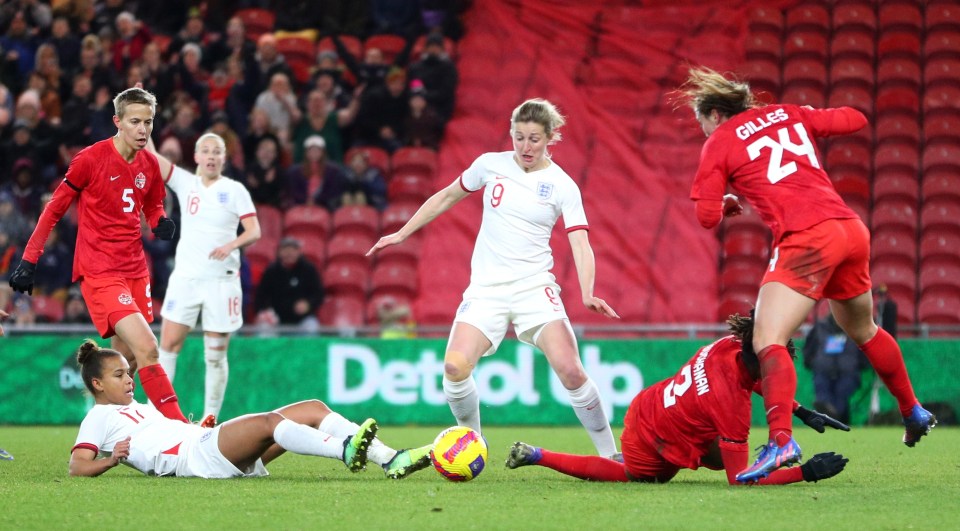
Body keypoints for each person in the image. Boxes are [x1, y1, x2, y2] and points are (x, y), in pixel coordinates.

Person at [679, 66, 935, 482]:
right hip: (850, 229)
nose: (703, 132)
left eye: (702, 123)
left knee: (766, 338)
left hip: (808, 237)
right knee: (864, 330)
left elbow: (706, 217)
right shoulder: (787, 113)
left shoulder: (721, 142)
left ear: (713, 113)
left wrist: (724, 203)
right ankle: (913, 410)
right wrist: (807, 117)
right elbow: (856, 118)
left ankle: (781, 442)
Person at [367, 98, 621, 458]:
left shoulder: (562, 185)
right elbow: (447, 196)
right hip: (486, 291)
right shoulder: (490, 165)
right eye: (518, 137)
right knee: (454, 367)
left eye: (534, 138)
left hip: (535, 288)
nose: (525, 146)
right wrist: (402, 233)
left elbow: (580, 242)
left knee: (571, 372)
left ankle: (611, 456)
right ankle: (473, 444)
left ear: (550, 137)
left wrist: (587, 292)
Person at [8, 87, 189, 423]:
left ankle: (105, 432)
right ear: (117, 121)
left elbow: (152, 202)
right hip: (100, 272)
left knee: (127, 363)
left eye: (148, 122)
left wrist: (159, 221)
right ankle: (182, 431)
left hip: (136, 271)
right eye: (135, 122)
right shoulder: (90, 159)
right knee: (148, 348)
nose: (143, 130)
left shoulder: (149, 163)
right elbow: (54, 210)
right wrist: (29, 259)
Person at [505, 313, 851, 486]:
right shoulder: (731, 405)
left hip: (659, 404)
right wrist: (806, 473)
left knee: (719, 454)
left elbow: (755, 381)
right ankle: (538, 455)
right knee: (635, 475)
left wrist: (800, 410)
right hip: (650, 435)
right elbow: (743, 480)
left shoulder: (730, 346)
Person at [68, 340, 433, 479]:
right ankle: (344, 450)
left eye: (129, 373)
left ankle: (389, 458)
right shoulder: (97, 417)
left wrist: (196, 427)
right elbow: (77, 467)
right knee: (272, 422)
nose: (130, 380)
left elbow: (161, 436)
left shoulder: (139, 407)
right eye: (119, 375)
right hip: (196, 461)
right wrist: (110, 461)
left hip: (203, 444)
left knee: (311, 407)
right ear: (97, 384)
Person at [147, 132, 261, 425]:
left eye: (217, 152)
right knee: (168, 346)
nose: (211, 156)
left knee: (215, 354)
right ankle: (154, 415)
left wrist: (231, 246)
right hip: (186, 278)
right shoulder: (187, 183)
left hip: (221, 282)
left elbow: (254, 230)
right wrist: (145, 123)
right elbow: (153, 159)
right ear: (196, 156)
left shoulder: (235, 190)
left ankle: (210, 418)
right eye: (206, 151)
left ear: (224, 158)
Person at [803, 312, 869, 425]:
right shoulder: (820, 327)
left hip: (848, 372)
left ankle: (831, 416)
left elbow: (864, 350)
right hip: (823, 370)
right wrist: (812, 363)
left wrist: (860, 365)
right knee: (822, 395)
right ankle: (831, 415)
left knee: (841, 395)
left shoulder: (856, 327)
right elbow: (809, 348)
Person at [255, 237, 324, 332]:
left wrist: (308, 304)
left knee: (311, 327)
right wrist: (266, 312)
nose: (289, 253)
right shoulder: (271, 271)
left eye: (293, 250)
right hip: (276, 319)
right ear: (279, 252)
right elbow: (261, 296)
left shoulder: (309, 270)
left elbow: (318, 294)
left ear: (299, 252)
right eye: (286, 250)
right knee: (263, 328)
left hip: (302, 320)